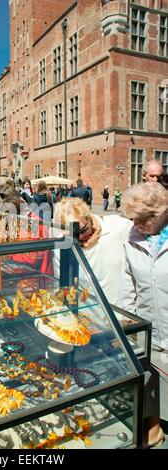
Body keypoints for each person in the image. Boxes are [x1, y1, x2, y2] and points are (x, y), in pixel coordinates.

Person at [121, 182, 168, 447]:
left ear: (161, 212)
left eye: (142, 219)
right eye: (133, 220)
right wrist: (129, 327)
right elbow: (129, 286)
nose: (137, 225)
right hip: (149, 329)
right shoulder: (132, 239)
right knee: (151, 385)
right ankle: (155, 430)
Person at [53, 197, 133, 307]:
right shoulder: (63, 245)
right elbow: (63, 284)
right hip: (86, 315)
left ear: (88, 217)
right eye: (73, 235)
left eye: (83, 230)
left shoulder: (119, 227)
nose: (80, 237)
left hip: (119, 312)